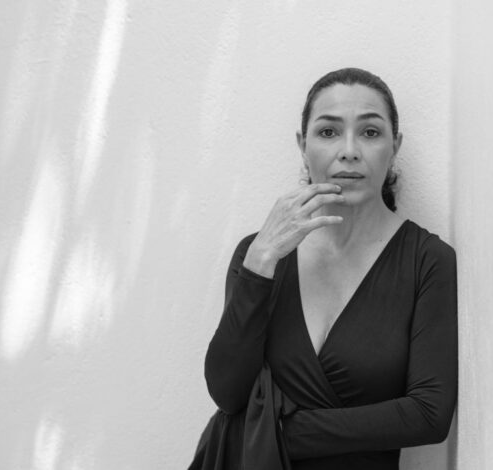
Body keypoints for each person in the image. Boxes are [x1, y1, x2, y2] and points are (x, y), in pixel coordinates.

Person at [188, 67, 457, 470]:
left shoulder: (428, 260)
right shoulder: (259, 253)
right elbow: (228, 393)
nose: (349, 150)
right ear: (303, 144)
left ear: (394, 146)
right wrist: (259, 263)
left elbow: (428, 415)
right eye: (328, 132)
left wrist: (269, 433)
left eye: (370, 132)